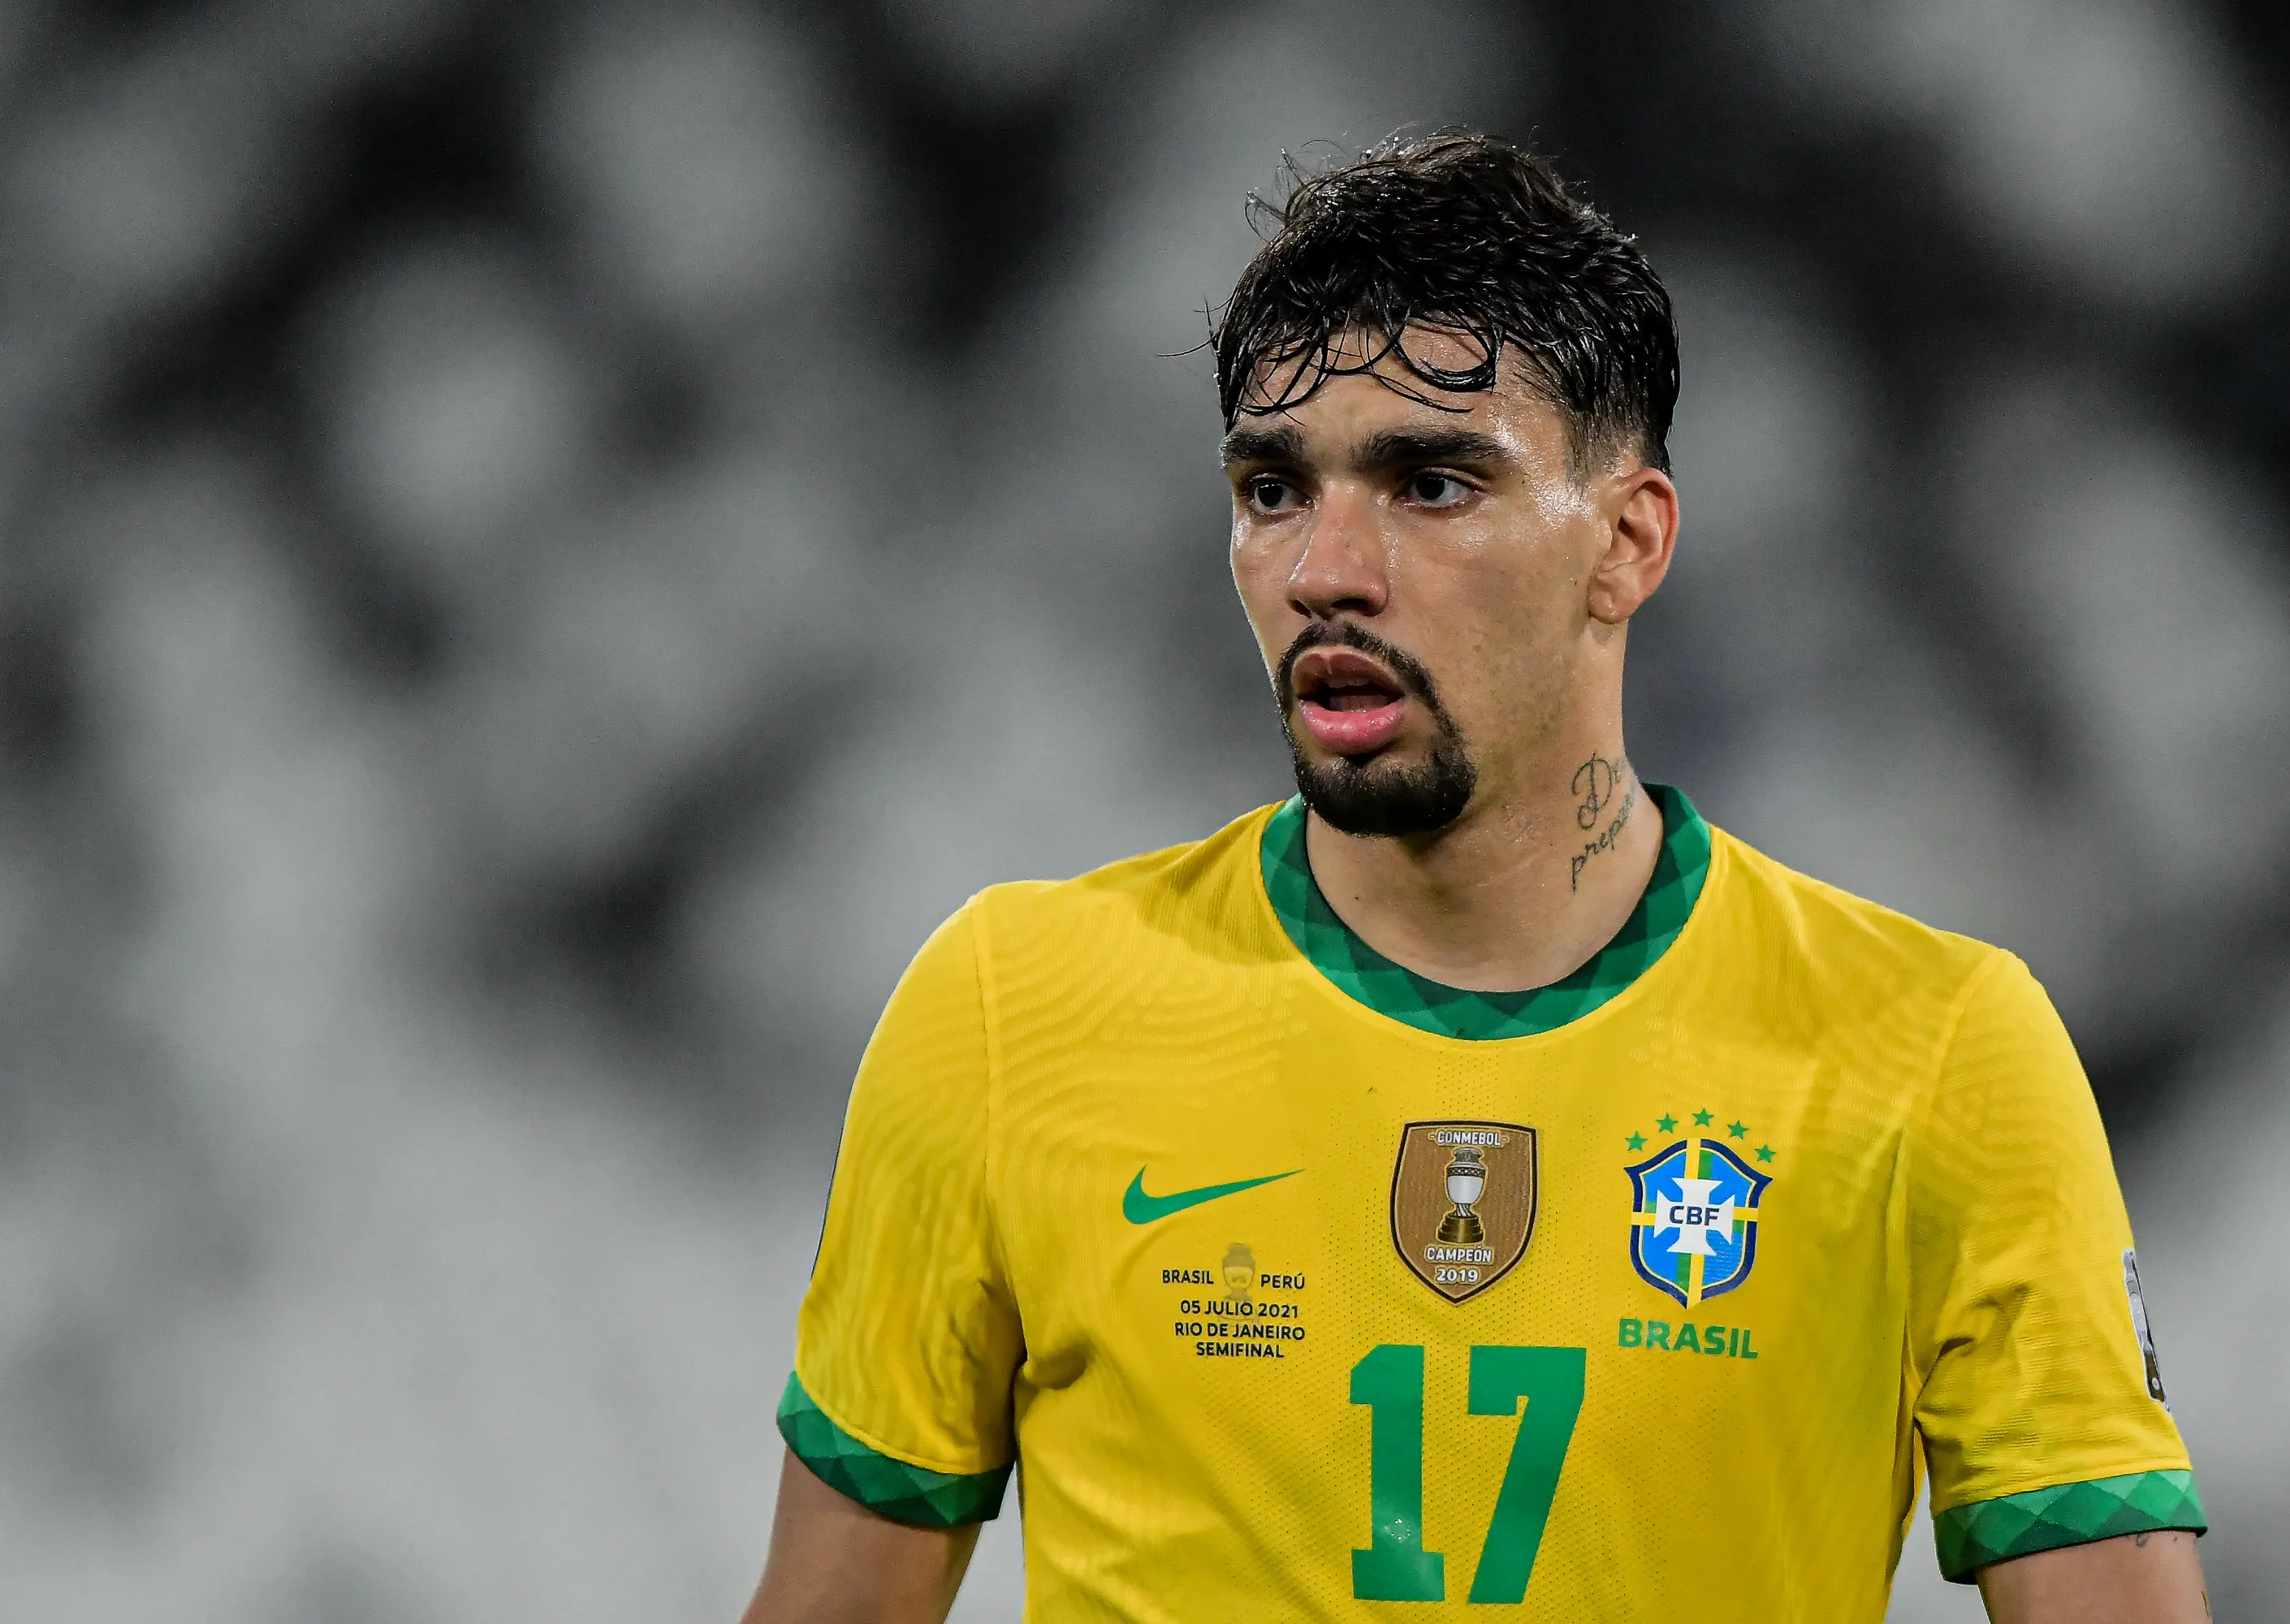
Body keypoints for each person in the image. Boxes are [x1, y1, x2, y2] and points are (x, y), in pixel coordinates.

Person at [738, 132, 2209, 1623]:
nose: (1327, 567)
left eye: (1431, 485)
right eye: (1271, 490)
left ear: (1628, 544)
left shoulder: (1940, 1054)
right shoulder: (1009, 1008)